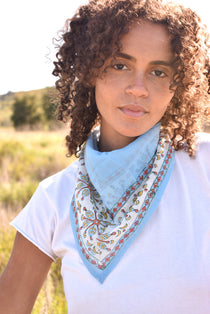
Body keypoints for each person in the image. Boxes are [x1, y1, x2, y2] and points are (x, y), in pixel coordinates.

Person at [0, 0, 210, 313]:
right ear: (90, 70)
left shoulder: (204, 164)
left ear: (176, 86)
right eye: (120, 65)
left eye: (158, 71)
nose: (138, 89)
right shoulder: (54, 198)